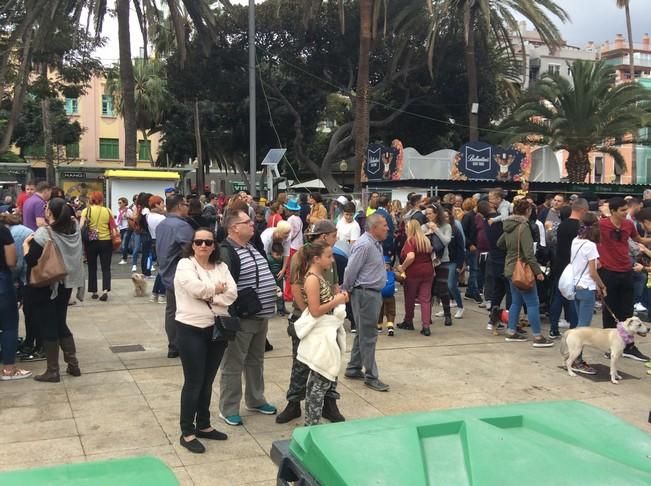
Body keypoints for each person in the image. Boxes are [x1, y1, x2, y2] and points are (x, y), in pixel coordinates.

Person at [173, 228, 237, 454]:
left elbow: (232, 294)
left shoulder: (222, 267)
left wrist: (211, 293)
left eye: (208, 242)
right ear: (192, 244)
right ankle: (187, 431)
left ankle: (204, 425)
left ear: (214, 245)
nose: (203, 246)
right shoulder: (185, 265)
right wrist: (215, 290)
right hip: (190, 328)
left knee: (208, 379)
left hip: (216, 329)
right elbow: (194, 288)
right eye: (198, 242)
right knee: (194, 381)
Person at [276, 219, 345, 424]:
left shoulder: (329, 257)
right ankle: (294, 402)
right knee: (301, 362)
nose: (336, 239)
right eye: (334, 235)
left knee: (328, 363)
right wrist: (310, 315)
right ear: (324, 236)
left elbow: (334, 284)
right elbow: (296, 286)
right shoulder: (303, 256)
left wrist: (333, 307)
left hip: (326, 319)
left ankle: (329, 403)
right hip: (309, 317)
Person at [218, 209, 278, 426]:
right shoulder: (226, 252)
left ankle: (255, 399)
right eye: (247, 222)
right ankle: (229, 408)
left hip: (260, 316)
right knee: (234, 363)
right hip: (243, 317)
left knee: (256, 360)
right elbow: (225, 286)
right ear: (234, 227)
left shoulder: (251, 247)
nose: (252, 224)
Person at [24, 198, 85, 381]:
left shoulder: (44, 233)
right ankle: (73, 366)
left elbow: (31, 260)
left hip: (47, 284)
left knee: (49, 326)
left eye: (46, 208)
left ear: (50, 213)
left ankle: (52, 371)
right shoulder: (74, 230)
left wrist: (25, 246)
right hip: (66, 283)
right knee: (60, 323)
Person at [293, 240, 348, 425]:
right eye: (328, 256)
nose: (332, 260)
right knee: (319, 382)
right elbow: (315, 310)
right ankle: (312, 424)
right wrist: (337, 300)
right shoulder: (312, 279)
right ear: (316, 258)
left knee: (317, 382)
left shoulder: (318, 276)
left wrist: (336, 299)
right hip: (321, 334)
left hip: (326, 330)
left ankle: (312, 423)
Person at [598, 196, 651, 361]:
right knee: (609, 310)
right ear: (613, 211)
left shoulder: (629, 225)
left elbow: (639, 240)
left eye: (626, 210)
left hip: (626, 270)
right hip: (608, 272)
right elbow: (587, 242)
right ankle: (609, 346)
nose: (625, 213)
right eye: (622, 210)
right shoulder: (601, 225)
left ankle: (628, 346)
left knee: (627, 310)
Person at [343, 214, 390, 392]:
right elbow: (350, 269)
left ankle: (354, 368)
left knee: (363, 333)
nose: (387, 228)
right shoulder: (365, 244)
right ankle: (371, 376)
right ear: (374, 228)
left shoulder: (374, 243)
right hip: (365, 294)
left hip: (370, 293)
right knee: (369, 336)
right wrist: (346, 288)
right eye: (384, 225)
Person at [498, 199, 552, 347]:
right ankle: (538, 336)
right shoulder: (523, 227)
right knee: (532, 302)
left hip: (510, 267)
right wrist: (537, 272)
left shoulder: (508, 225)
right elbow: (529, 254)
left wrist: (512, 250)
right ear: (527, 211)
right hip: (522, 268)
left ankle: (511, 331)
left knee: (516, 301)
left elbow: (499, 243)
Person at [567, 212, 607, 375]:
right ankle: (577, 360)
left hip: (575, 287)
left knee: (578, 326)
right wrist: (602, 285)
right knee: (583, 329)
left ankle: (573, 357)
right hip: (587, 289)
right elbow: (592, 272)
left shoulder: (575, 241)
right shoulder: (591, 246)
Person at [156, 196, 193, 358]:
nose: (188, 208)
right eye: (186, 205)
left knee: (171, 311)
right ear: (179, 206)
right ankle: (181, 344)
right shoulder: (181, 226)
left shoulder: (162, 225)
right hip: (181, 275)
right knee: (184, 312)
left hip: (166, 272)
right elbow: (192, 250)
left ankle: (173, 345)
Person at [548, 198, 587, 338]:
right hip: (574, 267)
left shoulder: (562, 225)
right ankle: (574, 329)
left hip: (560, 265)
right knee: (572, 299)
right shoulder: (581, 228)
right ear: (583, 210)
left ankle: (553, 328)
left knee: (558, 297)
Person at [0, 218, 31, 380]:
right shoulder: (3, 231)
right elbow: (11, 261)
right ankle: (8, 369)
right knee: (8, 325)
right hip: (2, 281)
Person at [396, 219, 434, 335]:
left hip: (413, 272)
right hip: (428, 271)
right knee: (425, 299)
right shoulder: (425, 240)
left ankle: (408, 321)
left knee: (410, 298)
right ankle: (426, 326)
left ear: (411, 228)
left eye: (407, 227)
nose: (405, 230)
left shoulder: (410, 241)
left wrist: (403, 267)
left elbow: (411, 256)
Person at [79, 191, 115, 301]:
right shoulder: (108, 211)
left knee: (92, 267)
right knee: (106, 267)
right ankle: (105, 290)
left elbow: (81, 227)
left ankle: (94, 291)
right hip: (106, 241)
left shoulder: (86, 210)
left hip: (91, 241)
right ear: (101, 200)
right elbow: (113, 226)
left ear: (91, 199)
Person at [423, 205, 453, 326]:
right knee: (428, 289)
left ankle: (448, 315)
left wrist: (436, 230)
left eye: (430, 213)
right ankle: (427, 316)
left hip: (443, 260)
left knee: (443, 288)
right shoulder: (423, 227)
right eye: (426, 214)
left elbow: (446, 241)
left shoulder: (446, 226)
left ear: (436, 214)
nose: (428, 216)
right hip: (428, 260)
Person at [146, 196, 166, 303]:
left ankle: (155, 293)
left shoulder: (149, 216)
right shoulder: (161, 218)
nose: (164, 206)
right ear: (157, 204)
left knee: (162, 269)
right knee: (165, 269)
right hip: (162, 241)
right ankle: (162, 294)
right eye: (162, 203)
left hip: (154, 241)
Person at [284, 199, 303, 302]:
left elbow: (288, 235)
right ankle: (295, 293)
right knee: (296, 272)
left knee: (289, 272)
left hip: (291, 247)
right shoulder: (299, 219)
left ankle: (288, 294)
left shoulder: (290, 219)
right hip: (299, 247)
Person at [377, 256, 396, 335]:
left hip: (380, 296)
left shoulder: (377, 274)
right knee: (391, 312)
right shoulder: (392, 274)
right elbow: (402, 278)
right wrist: (403, 273)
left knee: (379, 311)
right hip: (390, 297)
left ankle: (379, 326)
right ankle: (390, 326)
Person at [267, 241, 287, 315]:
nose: (279, 256)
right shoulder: (268, 258)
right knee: (270, 295)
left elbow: (283, 267)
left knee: (280, 294)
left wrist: (283, 273)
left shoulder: (281, 259)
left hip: (279, 278)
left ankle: (281, 309)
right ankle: (270, 310)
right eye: (277, 254)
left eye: (280, 254)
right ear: (272, 252)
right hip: (271, 279)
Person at [116, 197, 131, 265]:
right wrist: (116, 227)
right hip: (121, 228)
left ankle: (124, 259)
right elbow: (117, 220)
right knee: (124, 243)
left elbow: (133, 218)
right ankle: (127, 254)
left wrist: (127, 216)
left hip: (127, 228)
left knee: (124, 244)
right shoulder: (118, 210)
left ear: (124, 203)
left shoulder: (128, 210)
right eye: (118, 202)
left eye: (120, 202)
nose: (119, 204)